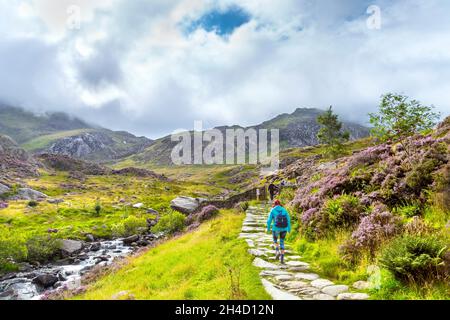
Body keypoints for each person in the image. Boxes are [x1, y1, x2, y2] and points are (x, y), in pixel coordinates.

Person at [266, 199, 291, 264]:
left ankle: (277, 251)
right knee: (282, 242)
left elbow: (269, 221)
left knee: (275, 241)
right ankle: (282, 258)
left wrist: (268, 228)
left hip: (276, 228)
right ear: (280, 204)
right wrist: (289, 229)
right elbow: (288, 220)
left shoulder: (273, 210)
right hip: (284, 228)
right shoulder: (284, 210)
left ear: (274, 204)